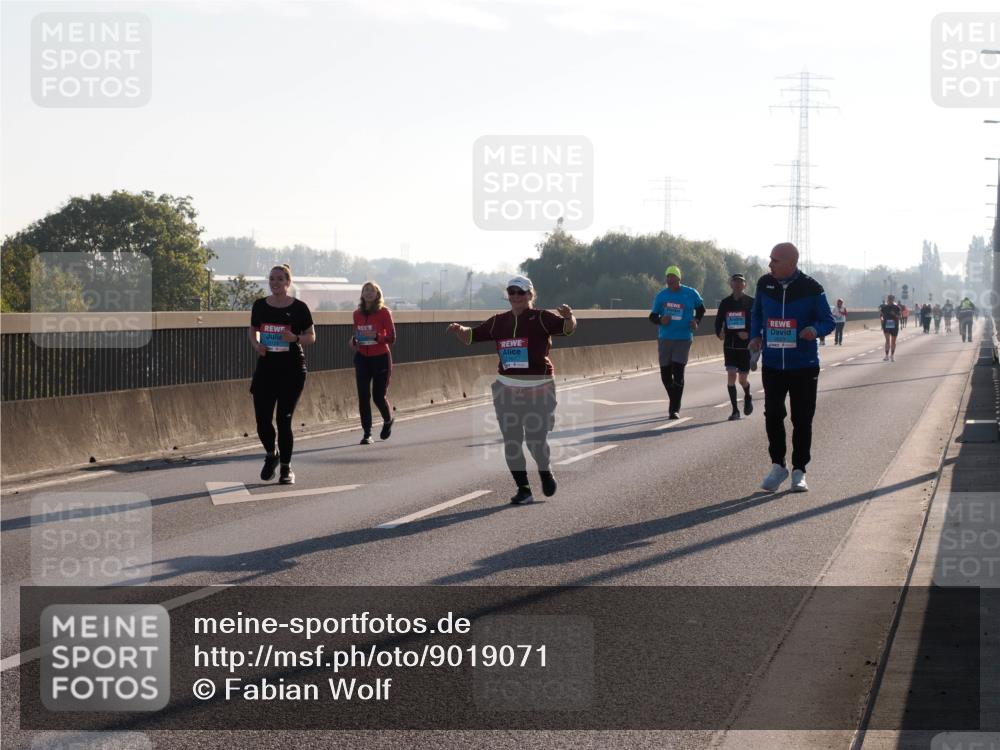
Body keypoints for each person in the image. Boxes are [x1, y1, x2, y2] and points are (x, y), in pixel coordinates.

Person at [447, 276, 576, 505]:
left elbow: (567, 329)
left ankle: (545, 470)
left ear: (530, 295)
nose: (515, 296)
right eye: (511, 292)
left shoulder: (542, 318)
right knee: (512, 441)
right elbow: (473, 336)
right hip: (506, 389)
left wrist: (569, 317)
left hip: (539, 387)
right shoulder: (499, 321)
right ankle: (523, 489)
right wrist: (460, 329)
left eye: (520, 292)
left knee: (535, 441)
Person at [749, 242, 835, 493]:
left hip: (804, 365)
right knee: (773, 415)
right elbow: (756, 314)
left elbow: (828, 321)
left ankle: (799, 470)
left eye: (775, 261)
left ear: (791, 263)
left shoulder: (812, 288)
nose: (770, 265)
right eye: (770, 260)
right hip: (773, 364)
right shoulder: (764, 284)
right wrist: (755, 336)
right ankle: (778, 465)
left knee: (802, 419)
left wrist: (814, 330)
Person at [248, 265, 316, 485]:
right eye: (272, 279)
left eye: (279, 279)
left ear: (288, 282)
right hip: (266, 369)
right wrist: (257, 345)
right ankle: (271, 454)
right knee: (262, 421)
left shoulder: (299, 308)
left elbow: (311, 336)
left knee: (283, 420)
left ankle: (286, 468)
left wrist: (294, 338)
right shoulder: (260, 305)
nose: (275, 283)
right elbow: (253, 329)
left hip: (292, 370)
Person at [649, 265, 706, 419]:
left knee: (678, 371)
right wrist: (660, 320)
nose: (670, 280)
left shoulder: (690, 293)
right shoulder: (661, 296)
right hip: (665, 338)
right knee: (666, 376)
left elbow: (701, 309)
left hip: (683, 338)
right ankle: (674, 400)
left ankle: (674, 408)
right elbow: (652, 316)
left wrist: (696, 321)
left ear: (679, 279)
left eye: (673, 278)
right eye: (668, 278)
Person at [352, 281, 396, 445]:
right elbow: (356, 334)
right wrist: (354, 340)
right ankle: (367, 433)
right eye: (366, 290)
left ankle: (388, 420)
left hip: (381, 358)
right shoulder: (357, 314)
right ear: (362, 294)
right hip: (362, 358)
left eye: (372, 290)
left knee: (378, 397)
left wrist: (377, 337)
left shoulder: (384, 312)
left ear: (377, 294)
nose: (369, 293)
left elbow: (392, 338)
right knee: (363, 396)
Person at [715, 273, 754, 420]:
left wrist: (749, 334)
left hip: (745, 346)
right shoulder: (725, 303)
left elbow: (758, 321)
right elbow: (718, 321)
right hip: (730, 345)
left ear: (745, 285)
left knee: (742, 380)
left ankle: (748, 395)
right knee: (731, 375)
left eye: (740, 282)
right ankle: (735, 410)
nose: (738, 284)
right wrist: (719, 333)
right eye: (735, 282)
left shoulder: (751, 302)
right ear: (731, 284)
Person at [879, 294, 902, 362]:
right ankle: (886, 356)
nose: (890, 300)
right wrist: (882, 320)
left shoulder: (897, 308)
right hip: (886, 325)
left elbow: (900, 317)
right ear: (887, 299)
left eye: (891, 299)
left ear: (893, 299)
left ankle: (892, 355)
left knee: (893, 341)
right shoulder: (884, 308)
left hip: (894, 325)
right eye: (889, 299)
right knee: (887, 340)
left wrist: (894, 314)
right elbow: (881, 316)